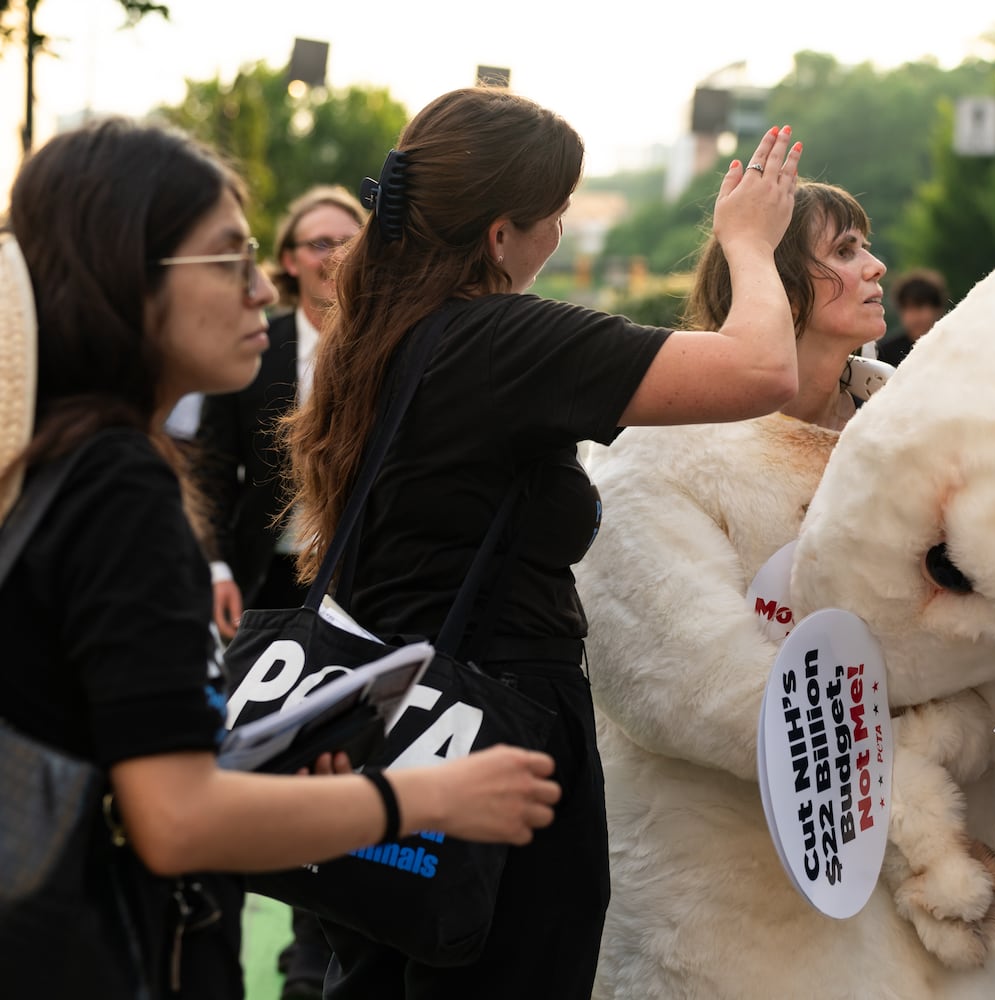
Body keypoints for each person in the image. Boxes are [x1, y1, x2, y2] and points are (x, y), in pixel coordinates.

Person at [0, 116, 562, 999]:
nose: (262, 289)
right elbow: (176, 820)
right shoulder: (118, 486)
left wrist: (276, 771)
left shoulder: (58, 462)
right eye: (229, 259)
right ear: (125, 273)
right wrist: (427, 800)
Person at [282, 87, 803, 998]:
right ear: (499, 234)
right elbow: (762, 369)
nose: (559, 236)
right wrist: (750, 244)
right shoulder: (502, 341)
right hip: (496, 727)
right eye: (555, 215)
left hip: (380, 715)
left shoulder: (377, 333)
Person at [576, 181, 906, 995]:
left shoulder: (915, 426)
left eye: (864, 244)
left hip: (919, 905)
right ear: (779, 279)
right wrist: (910, 753)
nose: (876, 266)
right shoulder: (669, 444)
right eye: (844, 251)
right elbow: (676, 676)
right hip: (724, 902)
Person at [194, 183, 365, 998]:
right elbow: (208, 465)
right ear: (290, 260)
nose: (333, 253)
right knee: (247, 745)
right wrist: (219, 566)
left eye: (348, 237)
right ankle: (220, 938)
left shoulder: (388, 342)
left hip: (360, 583)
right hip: (262, 575)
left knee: (332, 753)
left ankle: (311, 957)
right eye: (316, 240)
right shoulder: (254, 346)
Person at [875, 267, 947, 366]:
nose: (914, 316)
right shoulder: (884, 353)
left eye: (919, 307)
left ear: (937, 309)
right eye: (907, 308)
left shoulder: (953, 346)